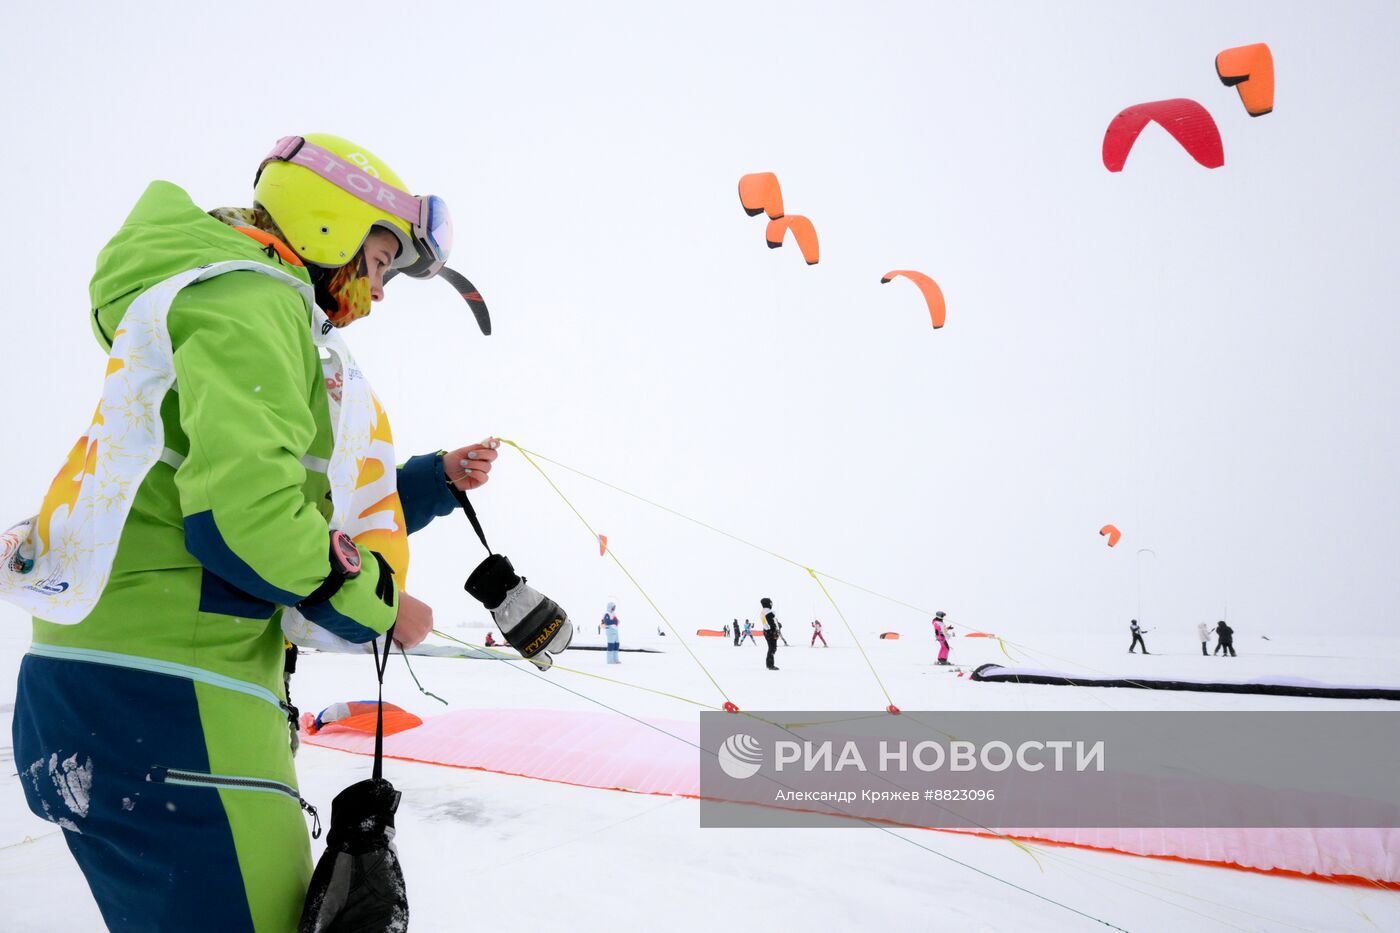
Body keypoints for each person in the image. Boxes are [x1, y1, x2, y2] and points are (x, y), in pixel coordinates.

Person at [9, 133, 499, 932]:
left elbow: (280, 489)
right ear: (329, 224)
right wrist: (385, 604)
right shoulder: (255, 297)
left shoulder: (205, 294)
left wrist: (433, 481)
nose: (373, 295)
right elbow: (248, 522)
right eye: (378, 264)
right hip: (177, 704)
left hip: (97, 688)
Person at [760, 597, 780, 670]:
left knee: (772, 648)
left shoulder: (763, 612)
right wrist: (775, 630)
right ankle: (770, 665)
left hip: (767, 631)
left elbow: (771, 621)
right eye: (770, 602)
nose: (771, 603)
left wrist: (777, 624)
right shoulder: (768, 612)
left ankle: (769, 664)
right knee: (772, 648)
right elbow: (771, 623)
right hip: (770, 632)